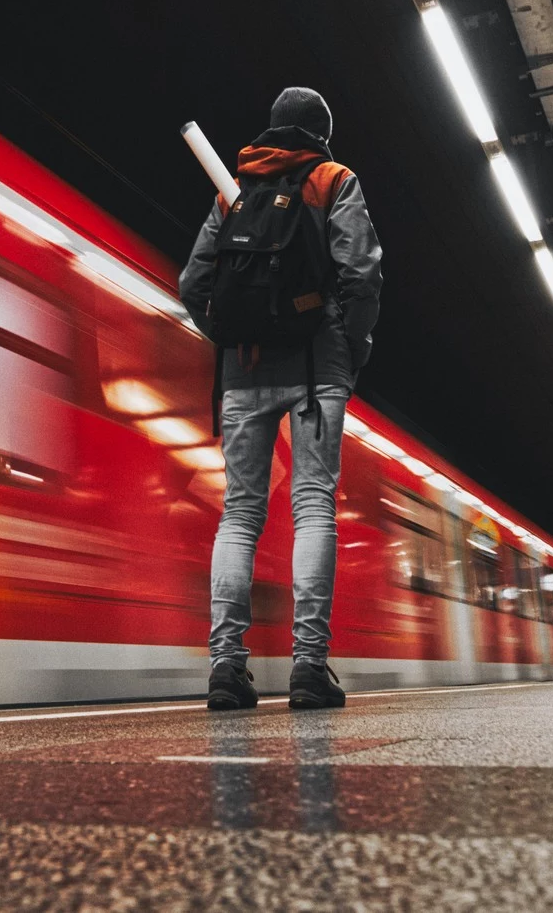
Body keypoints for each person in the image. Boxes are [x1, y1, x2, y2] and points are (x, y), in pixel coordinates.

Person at [179, 86, 383, 709]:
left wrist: (236, 334)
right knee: (313, 505)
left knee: (240, 512)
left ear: (270, 129)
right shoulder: (333, 179)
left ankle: (226, 668)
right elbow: (362, 271)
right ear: (320, 133)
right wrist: (350, 345)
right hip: (318, 365)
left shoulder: (233, 188)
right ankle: (308, 666)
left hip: (243, 372)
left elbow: (194, 281)